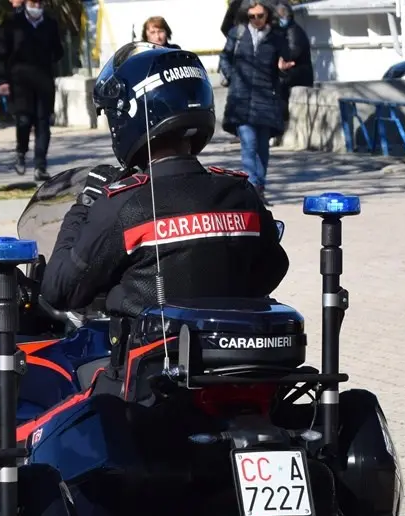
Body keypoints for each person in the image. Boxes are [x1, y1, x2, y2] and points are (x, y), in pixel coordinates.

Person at [40, 42, 287, 341]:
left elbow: (59, 290)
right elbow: (272, 270)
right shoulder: (241, 192)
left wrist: (84, 204)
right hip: (233, 369)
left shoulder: (122, 202)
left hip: (146, 375)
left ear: (132, 113)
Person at [218, 0, 293, 202]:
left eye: (260, 15)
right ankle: (253, 188)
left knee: (262, 148)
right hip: (241, 99)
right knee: (248, 145)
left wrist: (283, 70)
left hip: (266, 99)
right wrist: (232, 76)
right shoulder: (238, 33)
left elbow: (285, 70)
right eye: (252, 16)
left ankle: (260, 185)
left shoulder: (277, 38)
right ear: (246, 16)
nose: (257, 19)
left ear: (267, 15)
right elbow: (224, 58)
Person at [0, 0, 64, 182]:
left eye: (40, 3)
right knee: (24, 119)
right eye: (34, 3)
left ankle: (40, 165)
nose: (37, 7)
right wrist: (3, 80)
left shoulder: (50, 23)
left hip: (43, 80)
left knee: (43, 123)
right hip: (19, 81)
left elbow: (58, 51)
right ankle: (21, 151)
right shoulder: (12, 23)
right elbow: (1, 53)